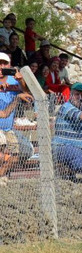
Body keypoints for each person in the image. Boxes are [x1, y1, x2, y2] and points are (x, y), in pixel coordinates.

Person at [53, 83, 82, 175]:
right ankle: (66, 171)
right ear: (70, 95)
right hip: (62, 146)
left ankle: (77, 171)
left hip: (80, 148)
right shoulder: (66, 107)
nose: (80, 97)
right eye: (77, 94)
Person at [0, 55, 34, 185]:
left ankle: (1, 175)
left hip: (9, 129)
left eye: (4, 63)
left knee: (26, 150)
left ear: (9, 65)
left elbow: (29, 96)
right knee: (2, 153)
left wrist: (21, 81)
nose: (1, 67)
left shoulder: (14, 82)